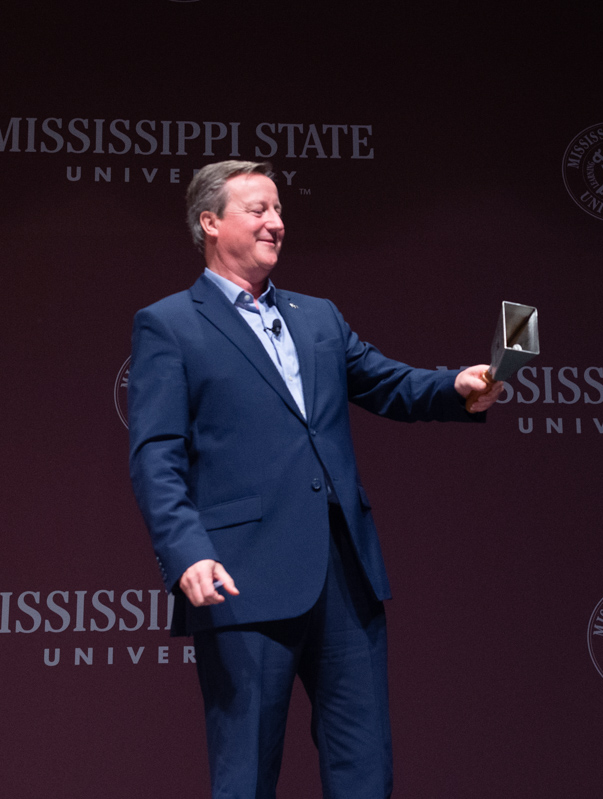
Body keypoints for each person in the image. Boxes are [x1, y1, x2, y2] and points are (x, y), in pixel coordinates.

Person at [127, 160, 503, 798]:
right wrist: (187, 551)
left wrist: (456, 386)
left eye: (279, 210)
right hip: (240, 576)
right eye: (258, 211)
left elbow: (389, 382)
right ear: (210, 222)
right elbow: (155, 454)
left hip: (344, 575)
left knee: (365, 769)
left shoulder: (318, 317)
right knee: (245, 773)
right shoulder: (170, 324)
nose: (276, 223)